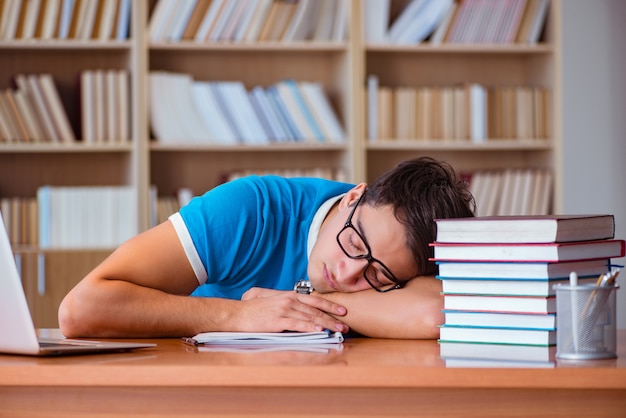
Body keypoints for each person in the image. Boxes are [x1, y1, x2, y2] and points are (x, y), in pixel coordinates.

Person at [58, 156, 475, 339]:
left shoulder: (405, 247)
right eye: (353, 242)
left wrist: (295, 301)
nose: (348, 274)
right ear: (353, 197)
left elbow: (434, 312)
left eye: (377, 275)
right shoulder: (248, 210)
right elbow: (82, 309)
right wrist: (238, 315)